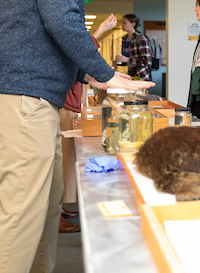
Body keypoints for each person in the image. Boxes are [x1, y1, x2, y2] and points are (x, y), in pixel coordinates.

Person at [0, 0, 155, 273]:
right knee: (23, 208)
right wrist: (102, 72)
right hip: (21, 91)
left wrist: (88, 75)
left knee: (48, 200)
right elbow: (61, 19)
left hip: (36, 94)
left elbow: (53, 29)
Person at [59, 13, 118, 234]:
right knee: (62, 160)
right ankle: (56, 213)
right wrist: (100, 30)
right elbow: (79, 55)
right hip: (65, 102)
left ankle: (61, 209)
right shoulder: (62, 34)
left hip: (70, 102)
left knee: (66, 159)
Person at [115, 14, 152, 81]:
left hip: (141, 76)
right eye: (122, 23)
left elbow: (147, 62)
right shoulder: (124, 39)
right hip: (130, 74)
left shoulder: (140, 39)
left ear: (133, 24)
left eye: (125, 23)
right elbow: (126, 60)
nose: (122, 25)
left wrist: (128, 60)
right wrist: (118, 61)